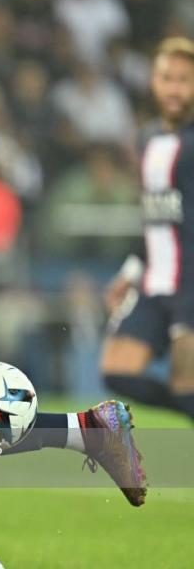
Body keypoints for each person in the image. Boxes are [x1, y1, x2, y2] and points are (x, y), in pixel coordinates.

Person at [101, 36, 194, 422]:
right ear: (153, 82)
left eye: (184, 80)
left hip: (190, 283)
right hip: (155, 283)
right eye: (166, 78)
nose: (174, 89)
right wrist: (130, 271)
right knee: (116, 371)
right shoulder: (149, 138)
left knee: (186, 384)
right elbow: (155, 217)